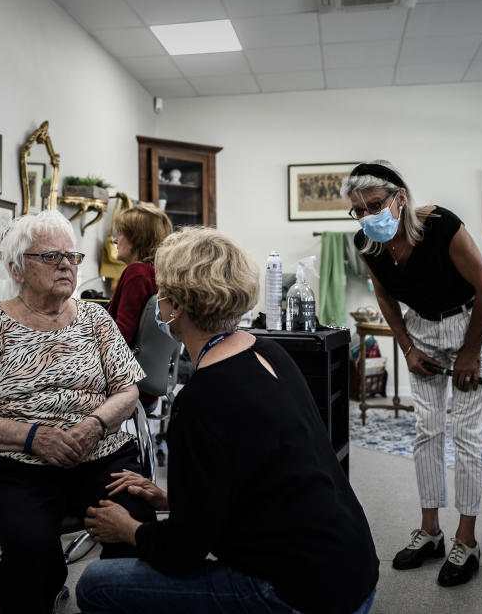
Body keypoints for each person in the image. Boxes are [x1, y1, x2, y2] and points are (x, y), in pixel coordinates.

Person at [76, 226, 379, 614]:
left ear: (176, 306)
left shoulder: (199, 401)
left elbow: (182, 554)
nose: (157, 301)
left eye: (162, 292)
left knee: (96, 585)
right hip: (353, 572)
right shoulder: (268, 351)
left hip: (299, 596)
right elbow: (261, 474)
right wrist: (172, 500)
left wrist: (128, 529)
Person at [0, 209, 155, 614]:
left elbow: (127, 390)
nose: (65, 264)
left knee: (136, 526)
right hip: (11, 463)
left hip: (100, 452)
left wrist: (95, 425)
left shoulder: (96, 318)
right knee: (31, 550)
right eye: (50, 256)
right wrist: (32, 436)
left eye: (71, 256)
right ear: (16, 268)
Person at [340, 160, 482, 587]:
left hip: (472, 323)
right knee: (427, 429)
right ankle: (430, 530)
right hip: (423, 329)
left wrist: (470, 351)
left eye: (375, 205)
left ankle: (467, 539)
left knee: (467, 430)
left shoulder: (442, 225)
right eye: (359, 210)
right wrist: (407, 348)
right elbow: (386, 298)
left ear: (400, 197)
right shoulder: (366, 244)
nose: (368, 216)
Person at [108, 202, 173, 344]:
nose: (115, 240)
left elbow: (120, 337)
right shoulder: (159, 273)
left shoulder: (137, 273)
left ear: (137, 238)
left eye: (120, 233)